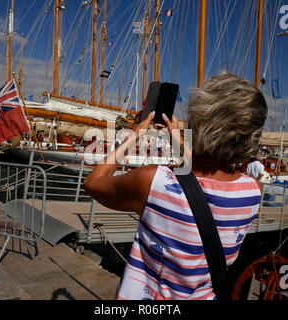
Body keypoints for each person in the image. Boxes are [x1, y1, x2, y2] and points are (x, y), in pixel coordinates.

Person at [84, 72, 268, 300]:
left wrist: (133, 135)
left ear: (199, 121)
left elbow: (93, 183)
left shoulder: (154, 181)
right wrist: (175, 136)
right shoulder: (253, 191)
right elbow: (204, 173)